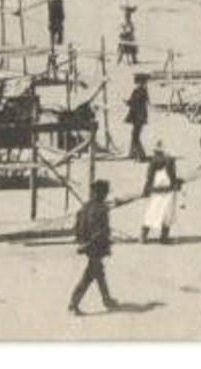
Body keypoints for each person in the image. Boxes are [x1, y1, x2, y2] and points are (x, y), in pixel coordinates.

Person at [68, 179, 118, 315]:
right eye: (105, 193)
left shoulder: (85, 207)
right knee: (89, 276)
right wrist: (100, 243)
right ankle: (74, 302)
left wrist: (81, 242)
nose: (106, 195)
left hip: (87, 245)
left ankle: (107, 300)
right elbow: (101, 231)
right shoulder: (101, 209)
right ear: (102, 193)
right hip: (95, 246)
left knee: (99, 273)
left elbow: (77, 227)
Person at [141, 143, 181, 244]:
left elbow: (149, 177)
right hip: (167, 190)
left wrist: (146, 188)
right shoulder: (170, 160)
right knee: (167, 214)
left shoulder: (153, 161)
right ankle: (164, 238)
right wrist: (176, 184)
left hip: (156, 190)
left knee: (152, 212)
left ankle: (143, 236)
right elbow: (172, 175)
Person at [125, 73, 150, 161]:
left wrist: (127, 102)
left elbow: (134, 103)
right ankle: (133, 153)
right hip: (140, 116)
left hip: (137, 116)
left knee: (135, 135)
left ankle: (140, 155)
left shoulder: (138, 91)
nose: (136, 84)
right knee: (135, 134)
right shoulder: (144, 91)